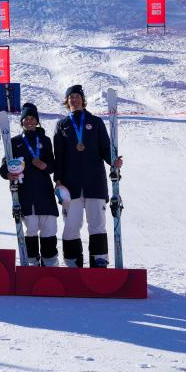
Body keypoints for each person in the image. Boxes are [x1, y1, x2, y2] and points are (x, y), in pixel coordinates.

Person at [52, 84, 122, 268]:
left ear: (83, 99)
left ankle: (99, 259)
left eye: (77, 96)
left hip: (95, 183)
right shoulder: (62, 125)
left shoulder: (96, 122)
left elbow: (105, 148)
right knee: (71, 225)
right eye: (71, 97)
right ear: (67, 101)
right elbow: (58, 156)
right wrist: (58, 180)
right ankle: (72, 261)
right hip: (70, 185)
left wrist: (113, 162)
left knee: (97, 224)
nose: (74, 100)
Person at [2, 102, 59, 266]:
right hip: (25, 194)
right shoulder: (14, 142)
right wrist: (8, 174)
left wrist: (44, 166)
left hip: (45, 193)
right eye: (26, 119)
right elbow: (4, 166)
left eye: (32, 118)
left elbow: (53, 166)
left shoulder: (45, 141)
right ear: (21, 121)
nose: (29, 121)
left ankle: (50, 263)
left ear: (37, 121)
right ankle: (32, 264)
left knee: (49, 230)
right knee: (30, 230)